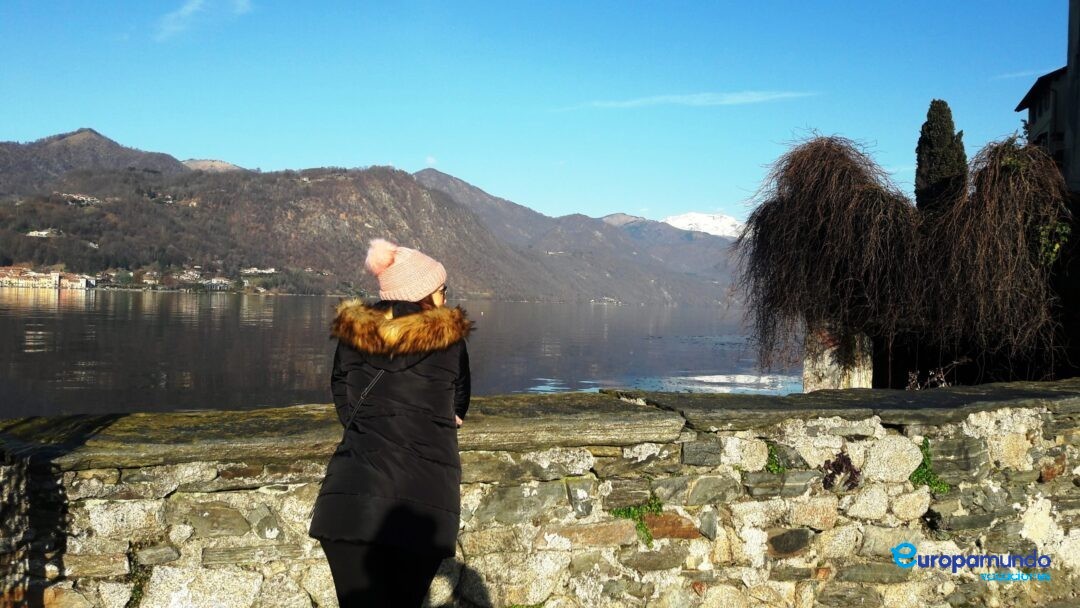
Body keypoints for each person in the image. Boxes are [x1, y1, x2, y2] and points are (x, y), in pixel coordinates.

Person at [309, 238, 473, 607]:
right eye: (442, 290)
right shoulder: (450, 341)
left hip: (347, 506)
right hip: (421, 509)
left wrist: (373, 427)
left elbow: (344, 397)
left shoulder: (355, 335)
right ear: (426, 294)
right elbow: (459, 403)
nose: (446, 297)